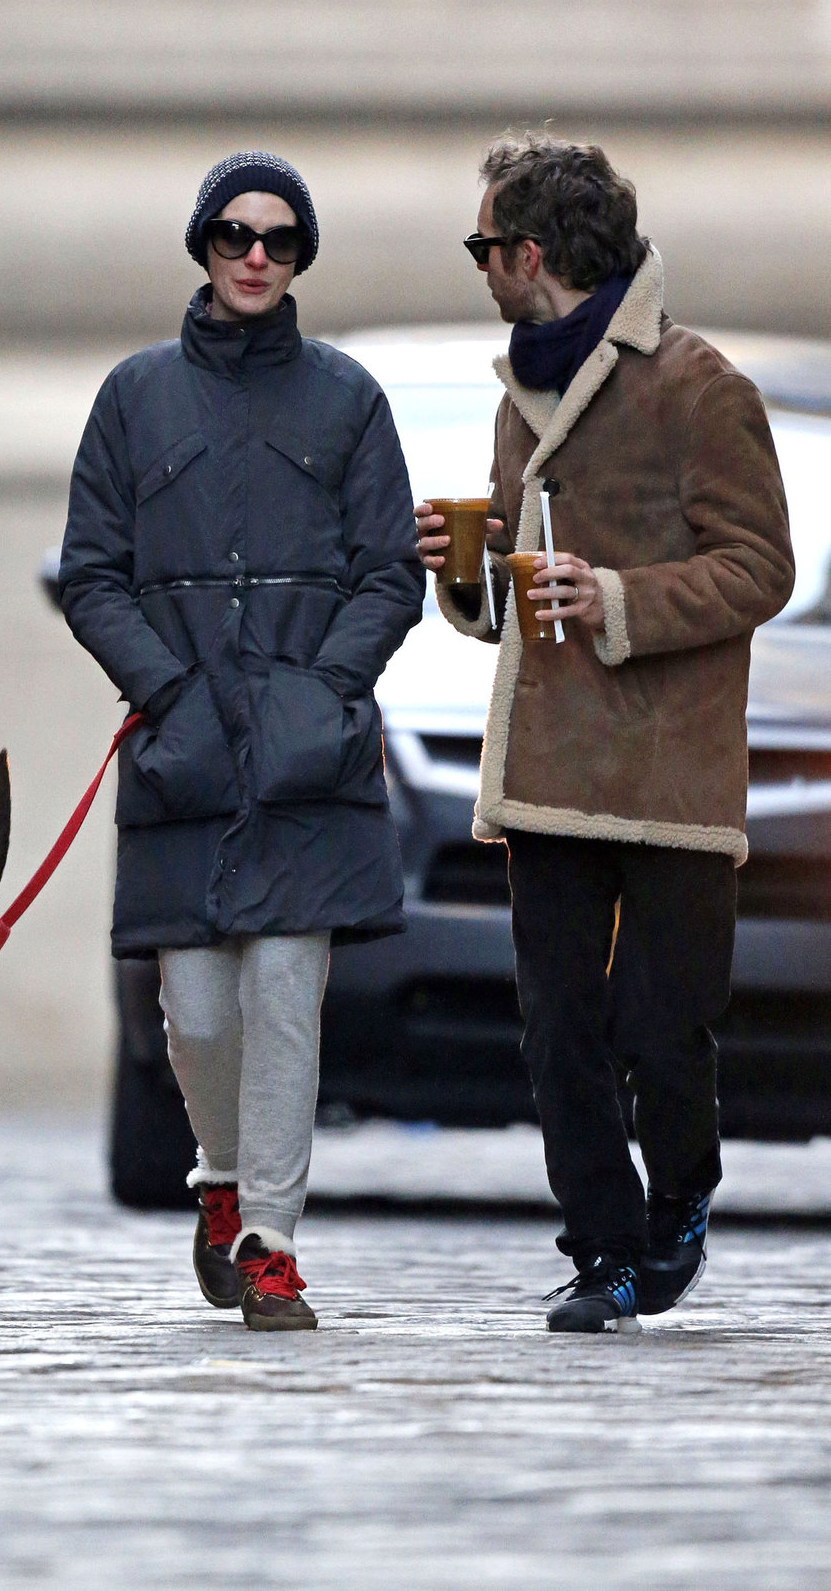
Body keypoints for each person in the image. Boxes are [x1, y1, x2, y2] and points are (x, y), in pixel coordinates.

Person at [416, 135, 795, 1332]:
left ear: (529, 253)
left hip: (673, 773)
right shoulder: (515, 395)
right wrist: (461, 580)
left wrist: (620, 598)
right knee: (558, 1028)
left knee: (663, 1029)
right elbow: (507, 607)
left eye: (484, 245)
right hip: (548, 767)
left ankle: (681, 1197)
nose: (477, 267)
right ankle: (605, 1253)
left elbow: (761, 566)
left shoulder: (702, 387)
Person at [60, 151, 424, 1329]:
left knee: (282, 996)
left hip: (308, 753)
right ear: (203, 246)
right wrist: (166, 690)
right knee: (198, 1013)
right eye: (234, 234)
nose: (256, 255)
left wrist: (325, 688)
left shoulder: (350, 399)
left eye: (279, 238)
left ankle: (270, 1239)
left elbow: (390, 575)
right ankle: (221, 1180)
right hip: (186, 748)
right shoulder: (133, 397)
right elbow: (93, 576)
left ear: (301, 255)